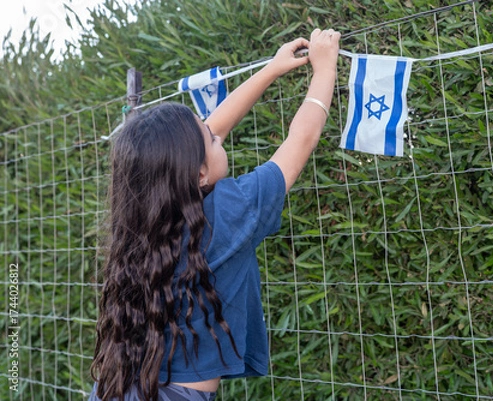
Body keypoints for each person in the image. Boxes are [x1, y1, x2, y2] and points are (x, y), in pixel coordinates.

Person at [89, 28, 341, 401]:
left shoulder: (140, 224)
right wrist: (326, 67)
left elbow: (209, 133)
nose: (216, 132)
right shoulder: (227, 211)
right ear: (199, 173)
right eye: (209, 138)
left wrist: (272, 70)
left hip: (117, 388)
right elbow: (301, 139)